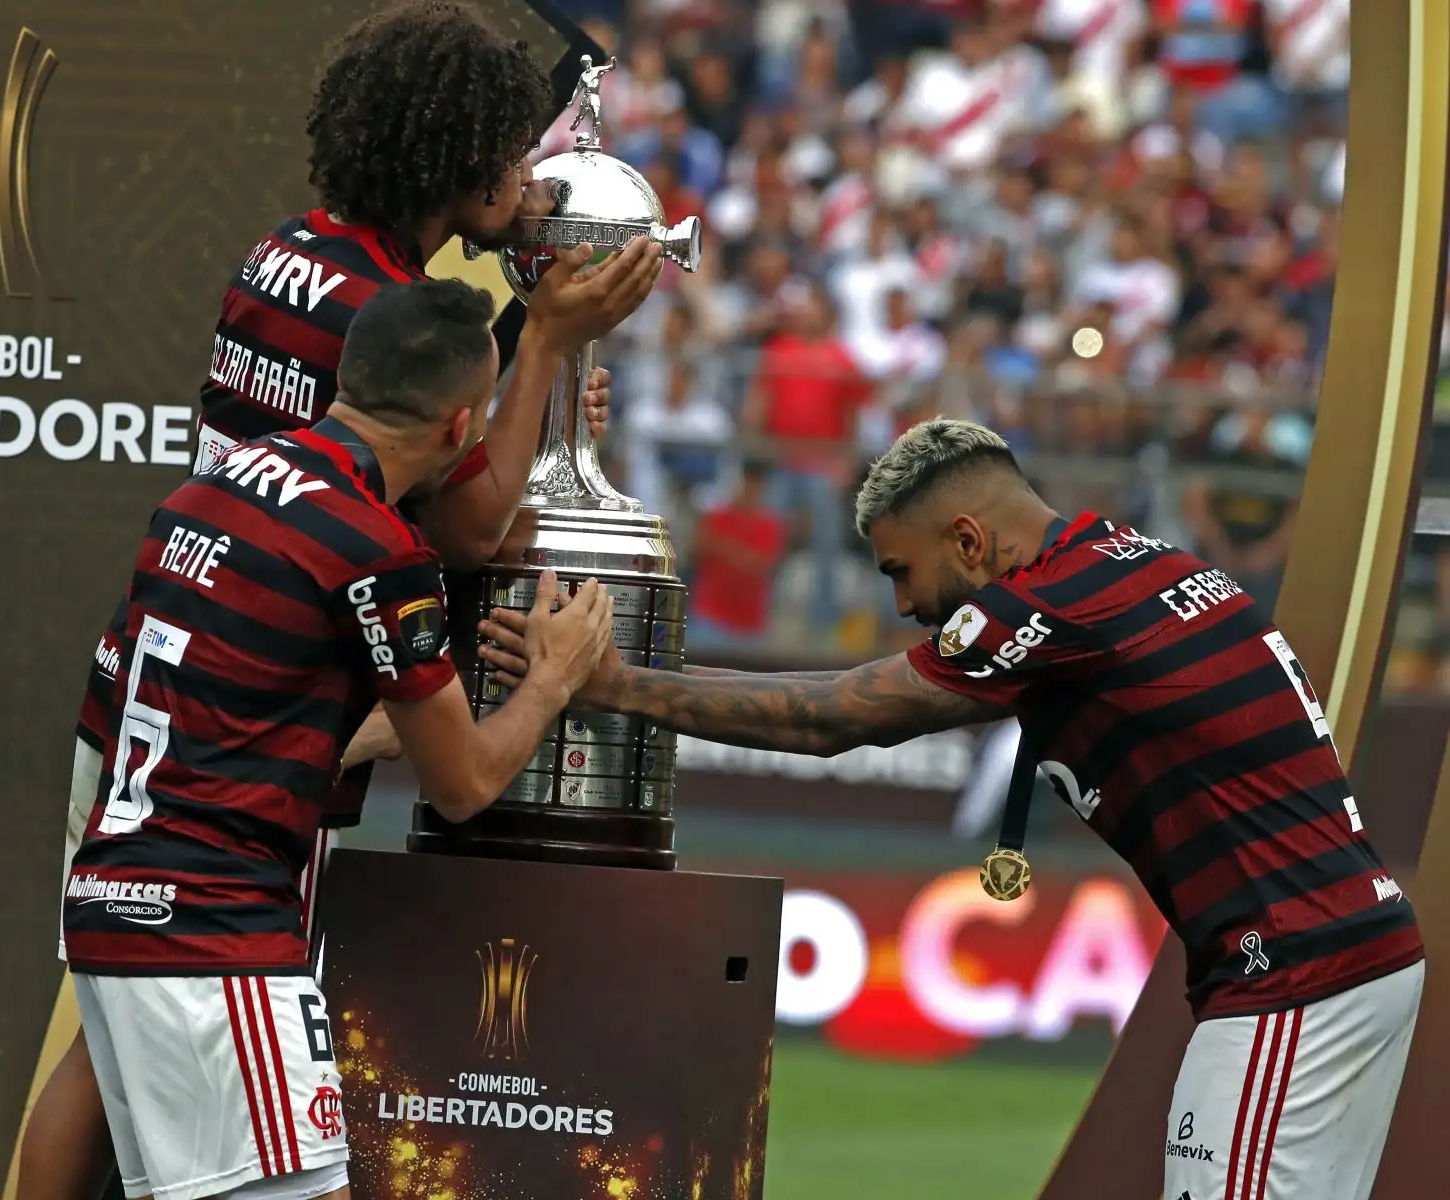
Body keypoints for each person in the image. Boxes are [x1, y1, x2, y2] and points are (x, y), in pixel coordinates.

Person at [18, 3, 662, 1196]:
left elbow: (443, 468)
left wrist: (524, 400)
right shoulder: (374, 309)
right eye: (512, 154)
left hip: (160, 671)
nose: (528, 181)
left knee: (101, 1050)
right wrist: (548, 354)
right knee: (169, 1086)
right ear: (454, 157)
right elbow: (471, 528)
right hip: (258, 711)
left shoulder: (289, 250)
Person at [480, 418, 1425, 1200]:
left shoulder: (1048, 607)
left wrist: (610, 684)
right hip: (1353, 948)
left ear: (970, 541)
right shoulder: (1138, 563)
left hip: (1293, 973)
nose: (901, 606)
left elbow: (838, 717)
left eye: (902, 571)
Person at [67, 278, 615, 1200]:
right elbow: (465, 783)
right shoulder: (376, 548)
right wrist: (552, 677)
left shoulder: (210, 491)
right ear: (461, 427)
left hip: (110, 903)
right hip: (217, 925)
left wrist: (361, 734)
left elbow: (214, 710)